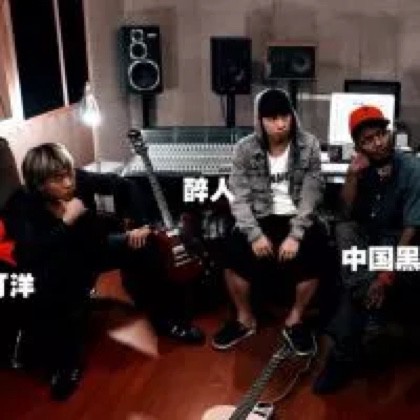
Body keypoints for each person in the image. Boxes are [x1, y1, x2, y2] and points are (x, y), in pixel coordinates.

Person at [2, 143, 204, 400]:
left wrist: (140, 224)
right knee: (50, 292)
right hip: (55, 266)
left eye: (69, 173)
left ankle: (168, 321)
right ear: (38, 184)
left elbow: (126, 186)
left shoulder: (80, 180)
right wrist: (66, 221)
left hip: (93, 248)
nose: (68, 182)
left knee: (148, 246)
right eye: (57, 179)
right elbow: (34, 253)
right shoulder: (20, 205)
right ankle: (66, 366)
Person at [313, 105, 420, 394]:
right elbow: (345, 214)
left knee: (355, 285)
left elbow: (412, 227)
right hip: (371, 249)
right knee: (343, 230)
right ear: (358, 146)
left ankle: (342, 357)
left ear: (389, 134)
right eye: (368, 140)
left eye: (381, 134)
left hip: (406, 251)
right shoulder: (363, 169)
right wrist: (351, 177)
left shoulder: (411, 167)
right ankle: (368, 304)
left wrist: (385, 275)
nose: (378, 143)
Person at [211, 88, 327, 355]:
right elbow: (238, 197)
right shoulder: (244, 149)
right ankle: (245, 319)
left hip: (296, 216)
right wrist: (254, 234)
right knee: (232, 251)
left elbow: (312, 193)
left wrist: (296, 234)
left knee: (316, 248)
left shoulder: (308, 144)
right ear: (260, 120)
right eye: (272, 118)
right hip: (259, 217)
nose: (280, 124)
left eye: (285, 116)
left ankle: (295, 319)